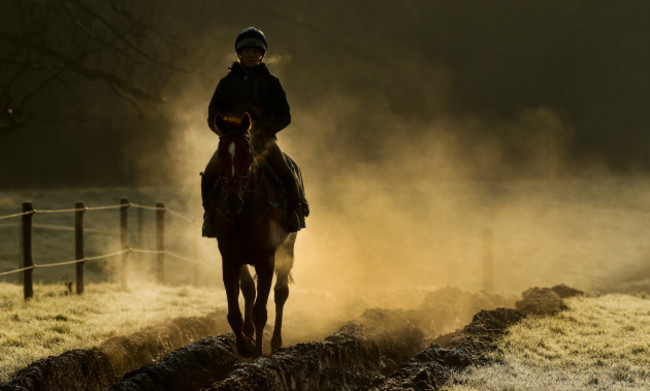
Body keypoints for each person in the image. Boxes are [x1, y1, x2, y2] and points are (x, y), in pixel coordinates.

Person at [202, 27, 304, 236]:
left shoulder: (272, 83)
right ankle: (209, 217)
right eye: (247, 51)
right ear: (239, 53)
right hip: (235, 142)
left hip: (264, 142)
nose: (251, 55)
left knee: (287, 174)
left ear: (261, 55)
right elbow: (213, 114)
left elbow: (285, 116)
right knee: (209, 175)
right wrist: (227, 134)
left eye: (255, 51)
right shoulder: (226, 83)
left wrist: (265, 131)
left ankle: (294, 213)